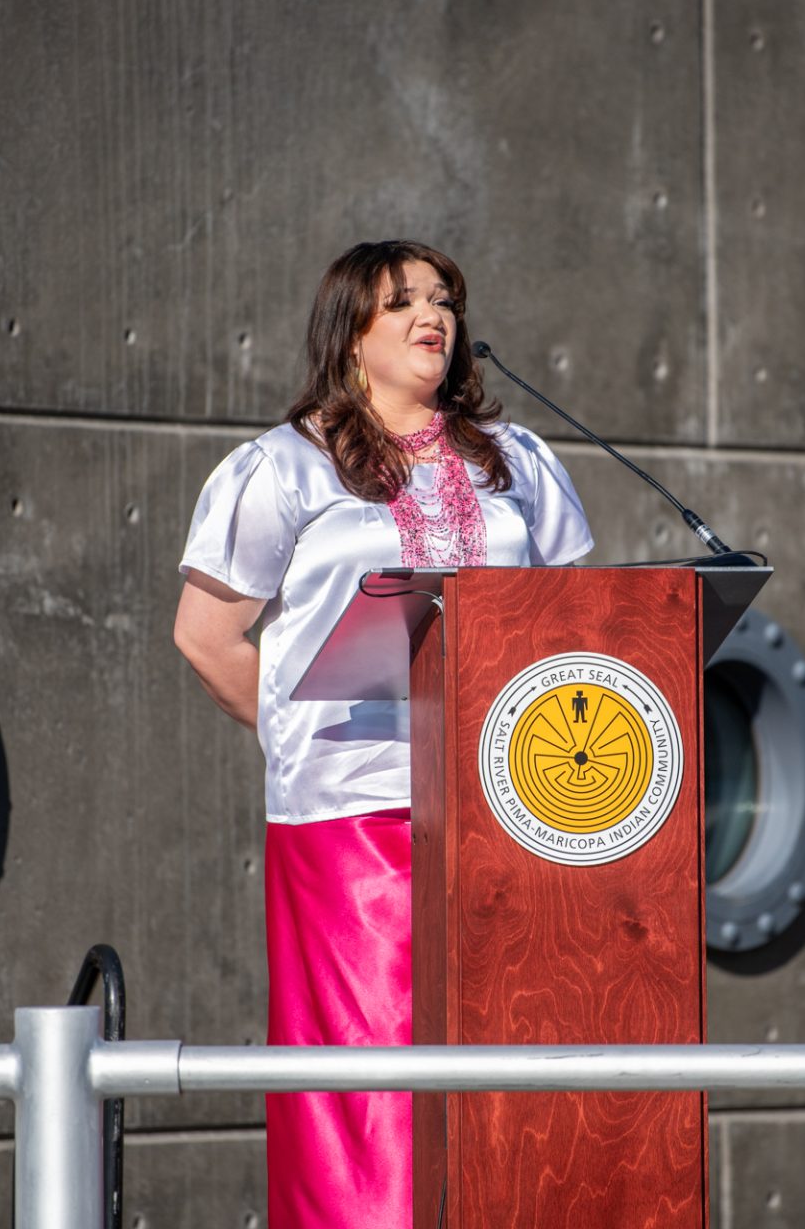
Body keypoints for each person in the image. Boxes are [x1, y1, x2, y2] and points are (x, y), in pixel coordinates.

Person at [172, 240, 594, 1227]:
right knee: (369, 1089)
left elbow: (579, 620)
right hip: (352, 817)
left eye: (443, 299)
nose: (431, 315)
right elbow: (206, 636)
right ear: (349, 334)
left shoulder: (520, 460)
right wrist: (301, 729)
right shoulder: (284, 465)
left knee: (508, 1070)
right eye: (401, 302)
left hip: (509, 806)